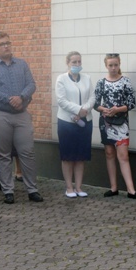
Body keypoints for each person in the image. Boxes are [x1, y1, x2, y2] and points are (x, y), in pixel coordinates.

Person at [0, 32, 43, 204]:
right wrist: (9, 99)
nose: (6, 46)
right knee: (3, 154)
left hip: (21, 114)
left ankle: (32, 189)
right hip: (0, 114)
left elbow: (31, 84)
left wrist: (21, 97)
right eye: (1, 44)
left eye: (8, 43)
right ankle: (8, 190)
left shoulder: (22, 64)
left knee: (27, 152)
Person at [93, 53, 136, 200]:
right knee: (109, 154)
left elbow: (132, 103)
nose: (113, 68)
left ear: (119, 64)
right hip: (106, 123)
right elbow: (95, 104)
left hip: (122, 122)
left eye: (116, 65)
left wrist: (118, 109)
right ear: (106, 66)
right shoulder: (101, 82)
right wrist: (104, 109)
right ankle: (113, 188)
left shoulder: (125, 81)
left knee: (123, 155)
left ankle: (131, 190)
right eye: (110, 65)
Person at [55, 51, 95, 198]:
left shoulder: (87, 78)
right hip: (67, 122)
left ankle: (78, 187)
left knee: (80, 156)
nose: (77, 65)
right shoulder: (61, 79)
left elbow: (92, 96)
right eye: (74, 62)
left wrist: (85, 110)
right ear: (68, 63)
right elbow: (61, 100)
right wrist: (78, 109)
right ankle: (69, 187)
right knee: (68, 156)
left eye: (79, 62)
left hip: (85, 121)